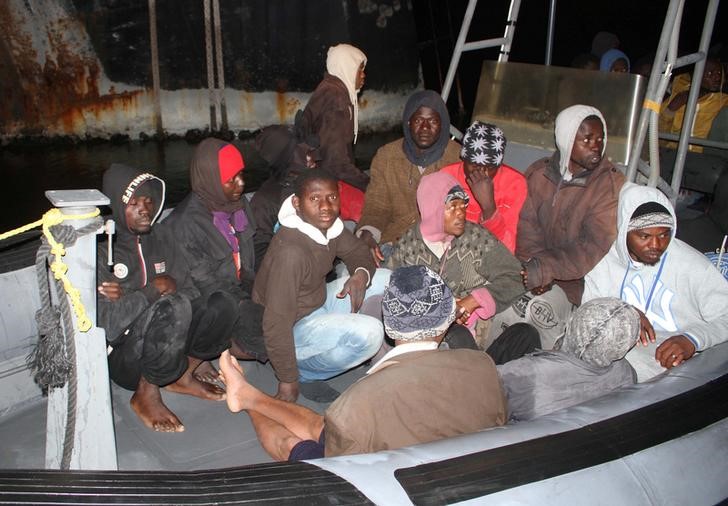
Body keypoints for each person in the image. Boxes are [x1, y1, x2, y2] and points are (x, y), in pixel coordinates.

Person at [219, 265, 507, 460]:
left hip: (388, 482)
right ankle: (249, 396)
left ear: (390, 329)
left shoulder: (359, 402)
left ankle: (246, 400)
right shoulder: (483, 367)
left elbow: (342, 468)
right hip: (454, 468)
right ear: (448, 319)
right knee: (325, 426)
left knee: (294, 445)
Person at [98, 163, 237, 432]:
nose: (145, 209)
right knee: (173, 304)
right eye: (134, 203)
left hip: (170, 345)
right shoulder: (102, 252)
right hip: (127, 359)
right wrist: (153, 290)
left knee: (223, 302)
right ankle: (145, 394)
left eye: (148, 201)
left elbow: (190, 290)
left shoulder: (162, 237)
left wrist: (139, 294)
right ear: (117, 205)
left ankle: (183, 375)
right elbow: (111, 324)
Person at [251, 169, 391, 403]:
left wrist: (360, 275)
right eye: (314, 198)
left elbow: (357, 251)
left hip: (316, 301)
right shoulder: (291, 252)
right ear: (297, 203)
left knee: (386, 278)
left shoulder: (328, 226)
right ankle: (306, 373)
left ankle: (357, 343)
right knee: (371, 334)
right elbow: (275, 322)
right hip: (290, 326)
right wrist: (288, 380)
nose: (325, 206)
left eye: (332, 197)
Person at [497, 105, 625, 350]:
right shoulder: (539, 173)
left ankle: (539, 371)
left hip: (577, 283)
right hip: (532, 268)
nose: (596, 145)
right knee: (502, 309)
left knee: (539, 313)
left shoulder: (609, 185)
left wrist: (546, 269)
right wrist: (534, 269)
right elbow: (526, 228)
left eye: (600, 138)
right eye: (586, 138)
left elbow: (591, 247)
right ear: (566, 139)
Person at [582, 183, 728, 381]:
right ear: (624, 230)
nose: (656, 245)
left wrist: (692, 340)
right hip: (618, 352)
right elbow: (588, 315)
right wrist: (624, 311)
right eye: (644, 236)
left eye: (664, 234)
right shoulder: (603, 262)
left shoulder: (691, 265)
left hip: (673, 358)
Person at [387, 171, 528, 355]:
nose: (461, 213)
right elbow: (395, 300)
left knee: (525, 335)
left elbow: (516, 276)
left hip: (477, 328)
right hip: (428, 336)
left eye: (463, 206)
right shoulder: (408, 247)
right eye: (452, 207)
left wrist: (475, 300)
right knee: (455, 335)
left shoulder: (475, 238)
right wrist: (446, 310)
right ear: (432, 207)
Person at [166, 138, 265, 382]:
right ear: (209, 178)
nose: (241, 184)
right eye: (231, 179)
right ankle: (200, 358)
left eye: (241, 175)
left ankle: (223, 350)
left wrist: (265, 292)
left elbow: (249, 264)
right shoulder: (186, 224)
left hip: (237, 289)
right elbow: (208, 286)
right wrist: (254, 310)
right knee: (271, 336)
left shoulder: (238, 207)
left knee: (285, 312)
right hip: (207, 304)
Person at [356, 90, 461, 264]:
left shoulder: (457, 158)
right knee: (354, 270)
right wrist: (367, 235)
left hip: (441, 248)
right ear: (408, 122)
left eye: (433, 121)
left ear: (443, 124)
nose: (425, 128)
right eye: (419, 120)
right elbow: (377, 207)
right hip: (393, 241)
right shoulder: (386, 156)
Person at [498, 297, 638, 422]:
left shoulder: (527, 374)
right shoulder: (626, 374)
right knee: (524, 334)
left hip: (511, 431)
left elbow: (485, 396)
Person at [440, 121, 527, 253]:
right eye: (474, 165)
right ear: (464, 159)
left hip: (491, 259)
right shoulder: (446, 178)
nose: (481, 173)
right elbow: (436, 235)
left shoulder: (515, 184)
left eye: (490, 167)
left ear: (499, 165)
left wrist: (489, 208)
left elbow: (507, 250)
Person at [298, 43, 369, 191]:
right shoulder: (337, 99)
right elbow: (336, 164)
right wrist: (372, 186)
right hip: (326, 184)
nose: (363, 75)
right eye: (360, 69)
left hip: (316, 177)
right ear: (347, 67)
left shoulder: (328, 88)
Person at [660, 58, 728, 152]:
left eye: (719, 73)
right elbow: (657, 133)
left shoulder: (722, 100)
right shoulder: (678, 95)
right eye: (710, 73)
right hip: (671, 152)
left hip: (704, 157)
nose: (717, 77)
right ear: (697, 74)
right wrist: (671, 109)